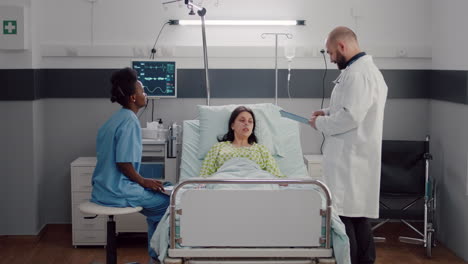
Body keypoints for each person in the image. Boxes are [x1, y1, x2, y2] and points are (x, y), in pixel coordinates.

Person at [309, 26, 388, 264]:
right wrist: (326, 111)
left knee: (348, 219)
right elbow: (349, 108)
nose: (331, 58)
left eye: (331, 53)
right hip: (354, 158)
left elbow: (351, 117)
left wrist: (321, 123)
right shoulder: (361, 71)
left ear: (342, 46)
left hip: (351, 160)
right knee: (356, 218)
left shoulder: (358, 74)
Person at [90, 67, 169, 263]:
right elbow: (124, 163)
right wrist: (143, 181)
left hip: (101, 189)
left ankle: (155, 254)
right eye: (142, 91)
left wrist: (146, 182)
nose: (145, 94)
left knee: (164, 186)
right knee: (166, 204)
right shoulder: (130, 121)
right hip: (117, 191)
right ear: (134, 97)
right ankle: (156, 258)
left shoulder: (114, 120)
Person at [199, 106, 284, 178]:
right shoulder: (218, 148)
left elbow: (276, 177)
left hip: (256, 185)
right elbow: (204, 176)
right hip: (226, 185)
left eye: (250, 121)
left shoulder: (261, 150)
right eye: (242, 120)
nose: (246, 123)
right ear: (232, 125)